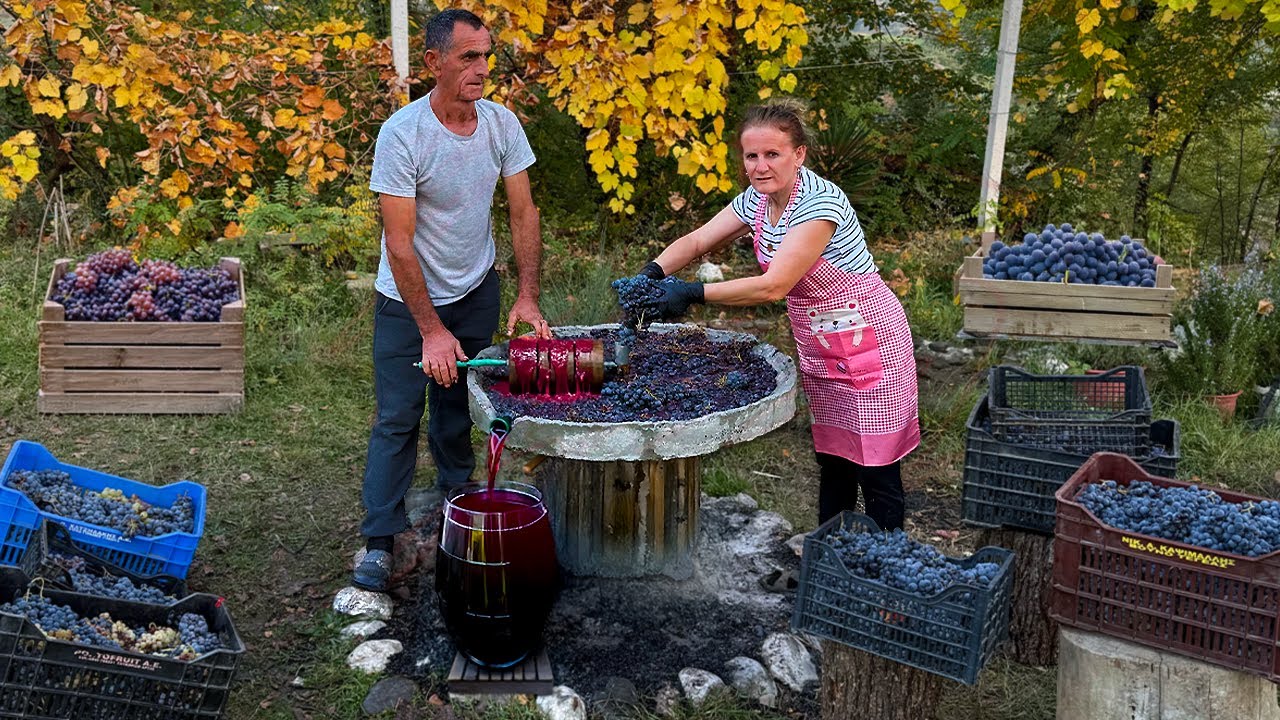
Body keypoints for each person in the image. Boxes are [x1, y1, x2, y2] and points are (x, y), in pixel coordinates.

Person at [637, 98, 919, 532]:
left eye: (773, 154)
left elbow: (774, 285)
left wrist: (690, 293)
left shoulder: (818, 206)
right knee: (835, 461)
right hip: (822, 345)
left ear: (799, 154)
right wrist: (651, 274)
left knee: (877, 471)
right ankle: (830, 562)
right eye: (752, 156)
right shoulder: (757, 199)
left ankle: (886, 573)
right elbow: (697, 241)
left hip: (870, 345)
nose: (761, 166)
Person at [355, 8, 551, 591]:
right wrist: (430, 329)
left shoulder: (500, 125)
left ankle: (457, 504)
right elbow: (399, 241)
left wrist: (528, 296)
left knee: (456, 408)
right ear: (434, 62)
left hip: (475, 289)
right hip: (406, 302)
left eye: (487, 55)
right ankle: (378, 537)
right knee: (397, 418)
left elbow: (523, 212)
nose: (482, 68)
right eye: (468, 56)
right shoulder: (403, 133)